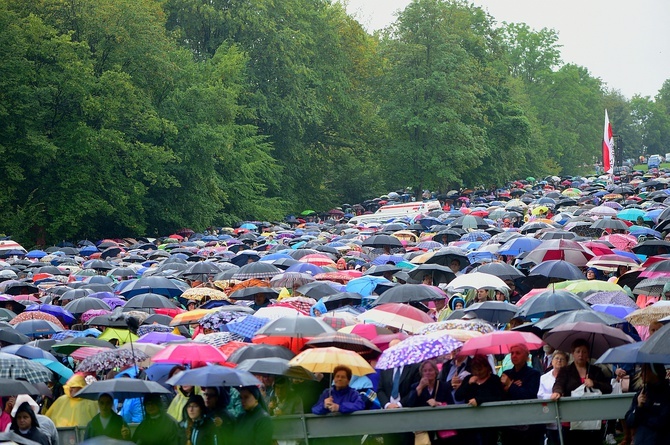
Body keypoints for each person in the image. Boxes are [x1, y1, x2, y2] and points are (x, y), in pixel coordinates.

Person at [551, 339, 613, 444]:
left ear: (588, 354)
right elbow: (559, 384)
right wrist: (557, 392)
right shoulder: (565, 371)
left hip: (593, 418)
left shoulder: (596, 370)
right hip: (571, 418)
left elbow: (608, 388)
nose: (581, 355)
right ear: (573, 353)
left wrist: (595, 383)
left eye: (584, 352)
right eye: (578, 351)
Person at [454, 355, 503, 445]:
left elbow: (499, 397)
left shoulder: (494, 380)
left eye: (480, 369)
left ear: (487, 367)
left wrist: (479, 400)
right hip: (470, 422)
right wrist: (468, 384)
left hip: (489, 423)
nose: (477, 372)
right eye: (475, 370)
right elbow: (458, 396)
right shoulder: (468, 378)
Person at [500, 344, 543, 445]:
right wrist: (509, 388)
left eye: (518, 353)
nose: (514, 356)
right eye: (512, 353)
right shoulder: (506, 373)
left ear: (526, 356)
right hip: (509, 422)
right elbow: (500, 397)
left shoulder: (534, 374)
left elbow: (529, 395)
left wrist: (510, 385)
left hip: (528, 424)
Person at [625, 363, 670, 445]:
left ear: (654, 373)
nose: (641, 374)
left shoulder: (667, 395)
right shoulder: (641, 394)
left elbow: (662, 422)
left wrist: (642, 416)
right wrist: (638, 407)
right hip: (641, 441)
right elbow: (629, 421)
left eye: (644, 371)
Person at [537, 351, 568, 445]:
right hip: (549, 415)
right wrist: (552, 396)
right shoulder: (544, 377)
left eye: (562, 359)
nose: (559, 361)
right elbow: (540, 395)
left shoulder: (569, 377)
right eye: (557, 358)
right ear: (552, 361)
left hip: (566, 417)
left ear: (566, 362)